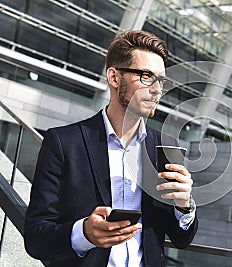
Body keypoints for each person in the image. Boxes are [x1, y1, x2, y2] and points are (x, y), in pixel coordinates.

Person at [24, 30, 198, 267]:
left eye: (162, 80)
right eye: (146, 76)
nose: (158, 89)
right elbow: (35, 237)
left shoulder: (164, 148)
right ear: (114, 78)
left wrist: (184, 205)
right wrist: (83, 233)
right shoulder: (63, 143)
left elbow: (181, 238)